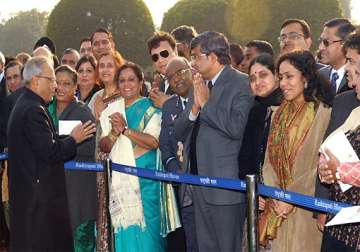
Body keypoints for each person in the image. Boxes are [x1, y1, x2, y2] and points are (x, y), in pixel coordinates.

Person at [7, 56, 96, 250]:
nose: (55, 86)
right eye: (53, 80)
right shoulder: (33, 109)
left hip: (33, 201)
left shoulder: (28, 104)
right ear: (37, 80)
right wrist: (74, 139)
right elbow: (50, 152)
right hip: (38, 205)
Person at [175, 31, 253, 251]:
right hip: (198, 183)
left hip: (225, 186)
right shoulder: (198, 84)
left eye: (196, 56)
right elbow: (179, 131)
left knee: (228, 247)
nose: (192, 62)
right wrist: (194, 109)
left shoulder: (242, 83)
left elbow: (236, 129)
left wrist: (207, 105)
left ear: (213, 57)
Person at [99, 62, 179, 251]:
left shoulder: (151, 108)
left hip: (146, 182)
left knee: (148, 239)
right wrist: (113, 133)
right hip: (120, 183)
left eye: (131, 80)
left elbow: (153, 142)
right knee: (124, 235)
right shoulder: (111, 110)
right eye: (122, 80)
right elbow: (104, 146)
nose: (126, 84)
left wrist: (125, 130)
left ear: (141, 82)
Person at [259, 50, 333, 252]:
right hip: (278, 209)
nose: (283, 83)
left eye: (289, 76)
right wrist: (275, 195)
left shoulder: (324, 113)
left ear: (306, 77)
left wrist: (291, 197)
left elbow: (322, 164)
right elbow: (268, 162)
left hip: (306, 208)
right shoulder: (277, 114)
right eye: (280, 77)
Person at [53, 65, 97, 251]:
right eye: (58, 83)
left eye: (67, 84)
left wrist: (63, 142)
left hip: (79, 191)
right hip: (55, 189)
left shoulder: (83, 112)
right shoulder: (45, 109)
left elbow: (89, 147)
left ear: (75, 87)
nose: (61, 88)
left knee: (81, 242)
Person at [160, 56, 197, 251]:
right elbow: (165, 144)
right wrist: (174, 167)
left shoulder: (204, 96)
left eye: (181, 72)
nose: (177, 79)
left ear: (191, 70)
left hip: (205, 182)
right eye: (170, 77)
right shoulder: (168, 106)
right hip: (181, 185)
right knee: (189, 239)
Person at [238, 54, 282, 180]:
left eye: (263, 75)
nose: (257, 82)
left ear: (276, 75)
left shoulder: (287, 107)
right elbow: (246, 156)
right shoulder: (255, 110)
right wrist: (253, 188)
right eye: (252, 78)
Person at [318, 18, 356, 95]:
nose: (320, 47)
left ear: (344, 43)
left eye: (326, 42)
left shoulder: (356, 76)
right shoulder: (319, 76)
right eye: (320, 41)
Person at [88, 51, 124, 120]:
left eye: (110, 66)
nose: (105, 69)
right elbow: (87, 124)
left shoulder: (125, 95)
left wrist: (102, 113)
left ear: (118, 69)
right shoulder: (97, 96)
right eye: (102, 66)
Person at [147, 31, 177, 108]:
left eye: (164, 54)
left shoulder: (191, 79)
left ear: (175, 51)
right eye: (155, 57)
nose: (160, 60)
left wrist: (168, 104)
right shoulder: (161, 86)